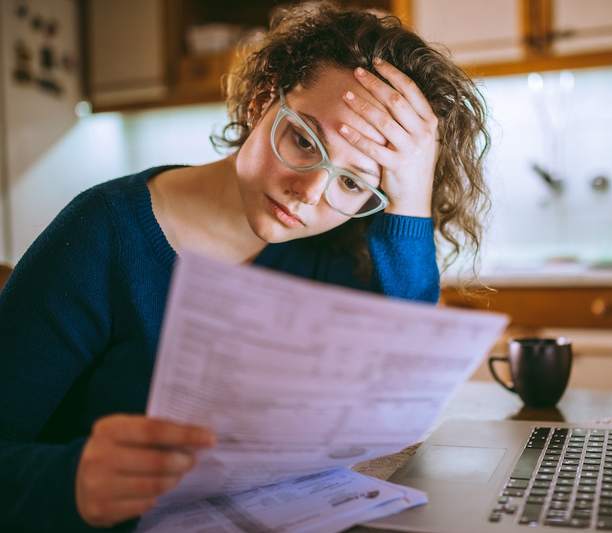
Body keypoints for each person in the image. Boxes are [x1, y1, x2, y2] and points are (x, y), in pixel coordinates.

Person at [0, 3, 490, 531]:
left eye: (353, 183)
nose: (308, 194)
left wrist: (410, 197)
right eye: (304, 140)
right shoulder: (103, 233)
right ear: (262, 101)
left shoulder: (339, 249)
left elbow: (405, 397)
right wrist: (72, 479)